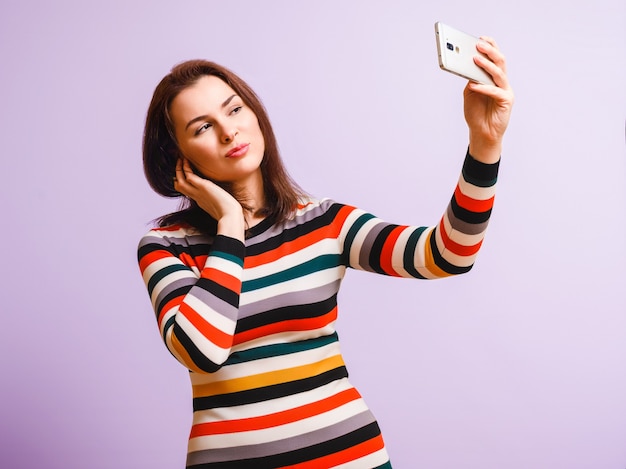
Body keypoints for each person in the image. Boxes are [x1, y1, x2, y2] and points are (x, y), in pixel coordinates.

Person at [138, 36, 513, 468]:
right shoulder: (165, 247)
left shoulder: (323, 223)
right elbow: (201, 351)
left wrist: (485, 145)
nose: (228, 131)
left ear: (255, 114)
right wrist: (228, 223)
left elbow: (448, 254)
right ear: (177, 156)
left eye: (234, 108)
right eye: (202, 127)